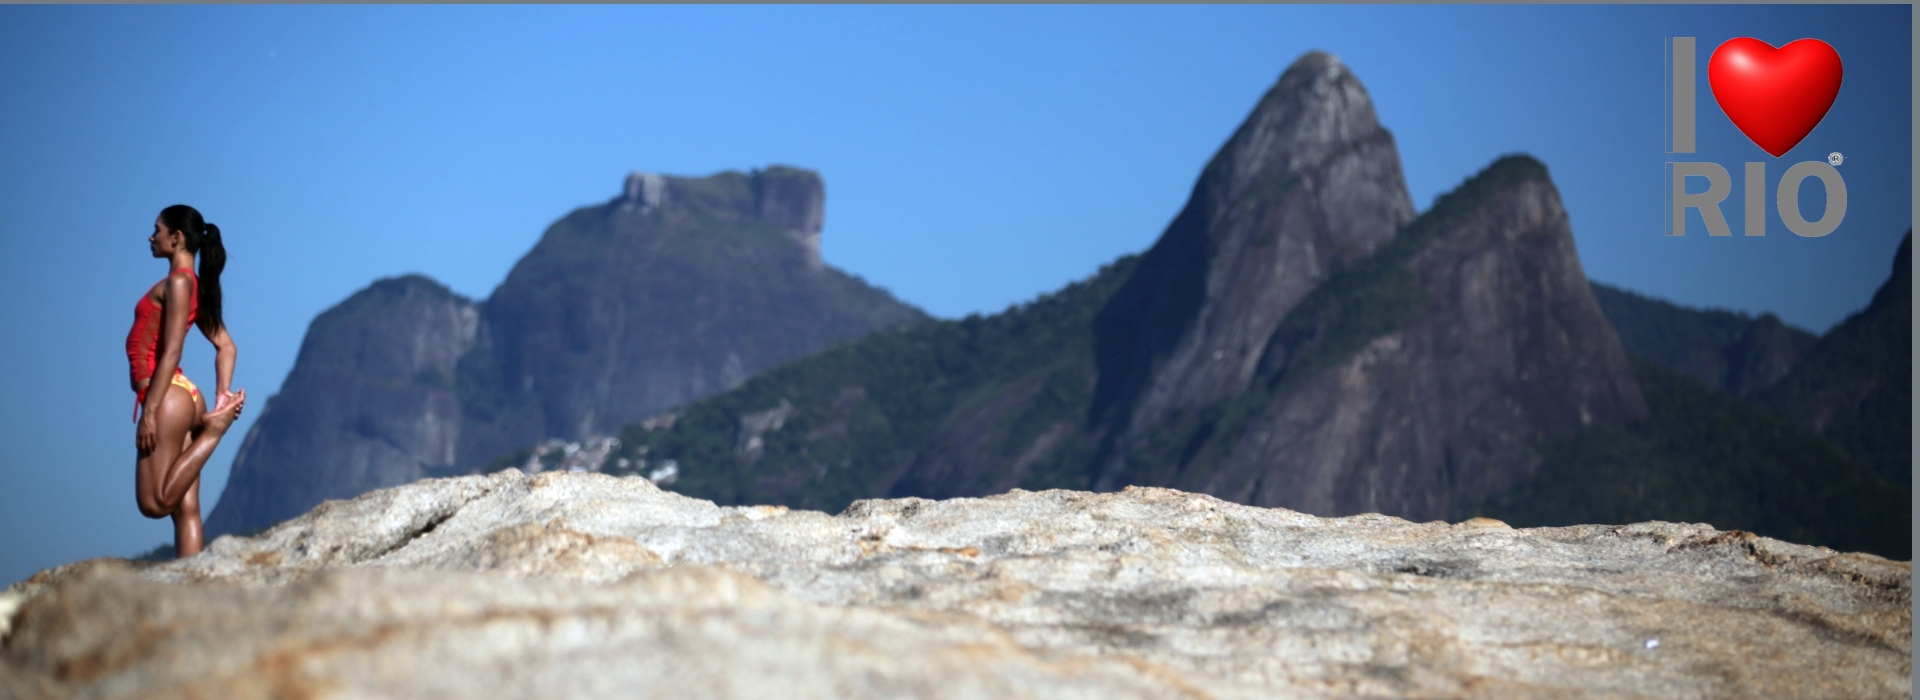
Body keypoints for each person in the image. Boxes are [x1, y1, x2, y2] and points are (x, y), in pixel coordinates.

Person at [129, 205, 246, 558]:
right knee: (186, 510)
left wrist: (149, 412)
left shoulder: (178, 282)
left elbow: (172, 353)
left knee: (155, 503)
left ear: (176, 238)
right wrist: (221, 393)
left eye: (157, 230)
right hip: (185, 396)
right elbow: (226, 345)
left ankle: (214, 432)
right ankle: (193, 587)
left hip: (165, 395)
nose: (151, 237)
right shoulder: (192, 286)